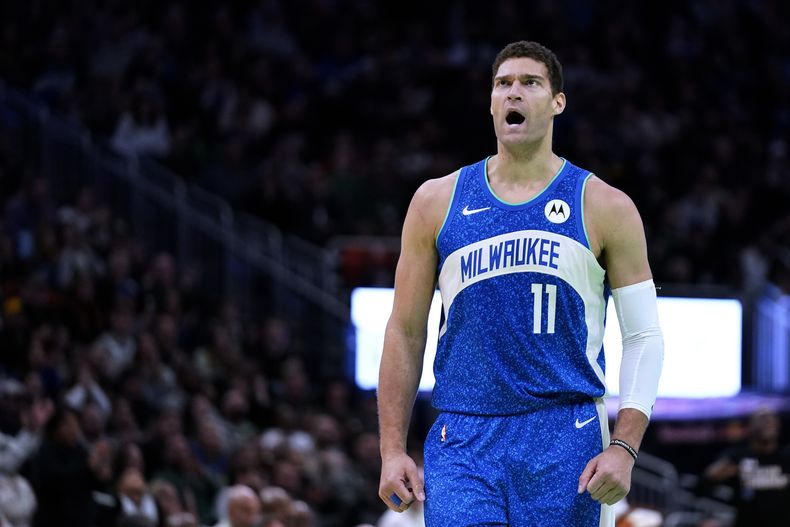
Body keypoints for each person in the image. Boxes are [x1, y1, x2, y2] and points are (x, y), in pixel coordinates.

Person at [377, 40, 664, 526]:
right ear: (491, 103)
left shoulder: (604, 205)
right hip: (463, 434)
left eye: (530, 83)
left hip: (565, 433)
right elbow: (405, 331)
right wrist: (390, 450)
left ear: (558, 102)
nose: (514, 93)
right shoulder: (435, 201)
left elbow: (643, 335)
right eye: (503, 84)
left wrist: (624, 446)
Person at [703, 407, 790, 527]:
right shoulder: (737, 456)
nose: (767, 423)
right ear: (750, 427)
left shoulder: (785, 457)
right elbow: (709, 477)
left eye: (771, 420)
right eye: (762, 419)